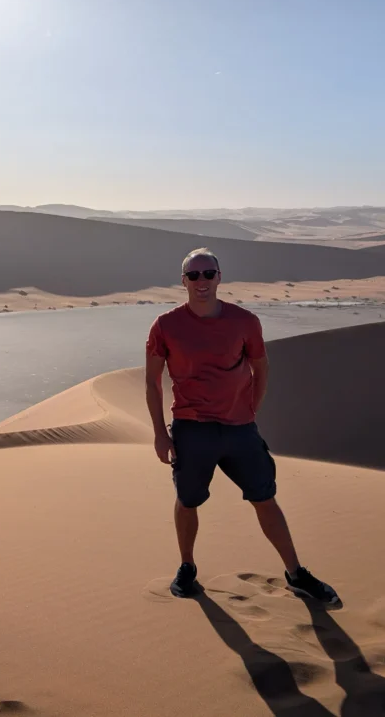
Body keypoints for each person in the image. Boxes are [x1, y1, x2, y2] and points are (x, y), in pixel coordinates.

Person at [145, 247, 338, 603]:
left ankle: (296, 573)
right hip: (191, 428)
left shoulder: (245, 322)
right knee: (187, 501)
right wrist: (159, 433)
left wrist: (251, 408)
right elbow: (153, 382)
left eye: (208, 274)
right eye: (193, 275)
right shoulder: (166, 325)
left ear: (219, 277)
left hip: (239, 430)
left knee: (265, 498)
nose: (201, 281)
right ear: (183, 281)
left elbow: (261, 367)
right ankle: (187, 567)